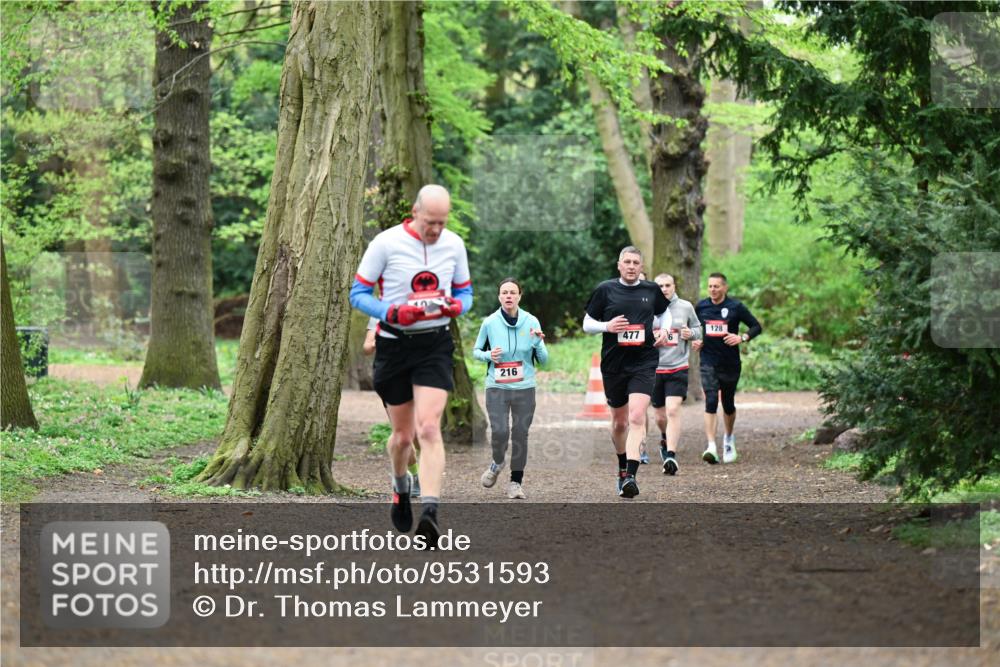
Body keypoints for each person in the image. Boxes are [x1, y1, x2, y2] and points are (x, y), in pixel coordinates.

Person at [349, 184, 472, 547]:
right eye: (430, 222)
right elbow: (358, 294)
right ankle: (401, 487)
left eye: (442, 222)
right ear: (416, 213)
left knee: (430, 428)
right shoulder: (385, 243)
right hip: (393, 346)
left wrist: (455, 308)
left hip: (434, 344)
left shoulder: (454, 244)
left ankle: (430, 512)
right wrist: (391, 312)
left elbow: (466, 294)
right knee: (403, 437)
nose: (436, 229)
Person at [582, 246, 670, 498]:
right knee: (620, 423)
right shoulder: (605, 290)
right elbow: (587, 324)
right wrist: (607, 326)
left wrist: (663, 330)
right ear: (619, 265)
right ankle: (622, 465)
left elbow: (666, 312)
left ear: (641, 267)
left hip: (644, 360)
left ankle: (631, 475)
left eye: (636, 263)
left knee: (637, 416)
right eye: (627, 262)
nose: (631, 266)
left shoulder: (651, 290)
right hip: (614, 364)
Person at [473, 278, 548, 500]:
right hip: (496, 386)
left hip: (525, 387)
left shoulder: (531, 321)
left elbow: (543, 360)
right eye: (504, 292)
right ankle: (497, 462)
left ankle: (516, 483)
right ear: (499, 297)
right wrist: (488, 355)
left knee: (520, 435)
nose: (508, 296)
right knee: (500, 432)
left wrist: (538, 344)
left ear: (519, 296)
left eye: (512, 292)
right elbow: (476, 350)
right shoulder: (489, 322)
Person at [691, 272, 762, 464]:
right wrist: (697, 340)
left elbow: (756, 326)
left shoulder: (735, 307)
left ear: (725, 288)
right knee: (711, 400)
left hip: (730, 363)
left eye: (717, 286)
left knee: (728, 403)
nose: (713, 290)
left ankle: (728, 439)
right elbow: (696, 329)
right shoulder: (702, 307)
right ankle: (711, 446)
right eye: (710, 286)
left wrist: (742, 338)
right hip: (708, 361)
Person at [649, 273, 702, 475]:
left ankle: (671, 455)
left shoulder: (685, 307)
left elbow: (698, 329)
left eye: (667, 285)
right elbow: (638, 332)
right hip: (654, 369)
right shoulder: (648, 307)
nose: (664, 289)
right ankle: (664, 437)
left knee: (673, 410)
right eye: (660, 286)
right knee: (660, 416)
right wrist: (652, 336)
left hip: (678, 366)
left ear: (674, 286)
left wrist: (692, 334)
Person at [364, 318, 420, 497]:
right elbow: (366, 347)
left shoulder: (419, 307)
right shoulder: (378, 314)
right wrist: (374, 343)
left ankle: (425, 472)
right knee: (404, 434)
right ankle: (415, 476)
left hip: (418, 376)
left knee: (420, 432)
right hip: (390, 376)